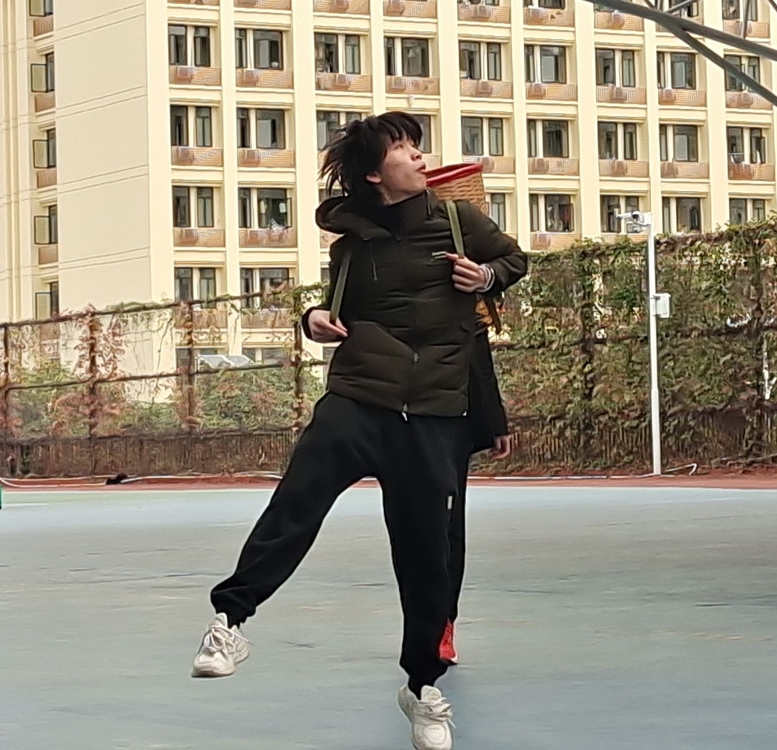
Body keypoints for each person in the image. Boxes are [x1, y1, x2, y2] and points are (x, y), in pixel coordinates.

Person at [189, 111, 527, 750]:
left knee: (427, 554)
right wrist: (314, 320)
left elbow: (514, 261)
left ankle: (422, 688)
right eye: (404, 149)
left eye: (417, 146)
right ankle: (229, 620)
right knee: (296, 503)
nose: (418, 157)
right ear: (375, 173)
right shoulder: (351, 247)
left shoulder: (460, 221)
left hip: (434, 411)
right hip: (358, 399)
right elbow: (333, 312)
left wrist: (486, 275)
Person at [439, 301, 512, 667]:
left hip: (453, 425)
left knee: (451, 527)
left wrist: (496, 422)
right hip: (403, 422)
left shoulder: (466, 299)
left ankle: (443, 625)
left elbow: (480, 364)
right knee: (414, 529)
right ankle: (422, 620)